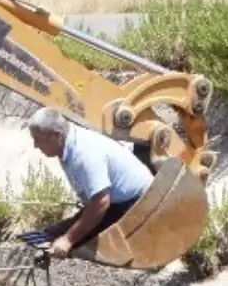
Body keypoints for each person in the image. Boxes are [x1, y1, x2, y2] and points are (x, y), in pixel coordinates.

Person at [19, 107, 154, 260]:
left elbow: (101, 203)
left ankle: (54, 246)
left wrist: (68, 240)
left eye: (38, 139)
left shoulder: (83, 154)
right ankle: (48, 243)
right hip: (115, 201)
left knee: (79, 241)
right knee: (55, 233)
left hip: (138, 203)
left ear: (56, 136)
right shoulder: (67, 143)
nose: (35, 145)